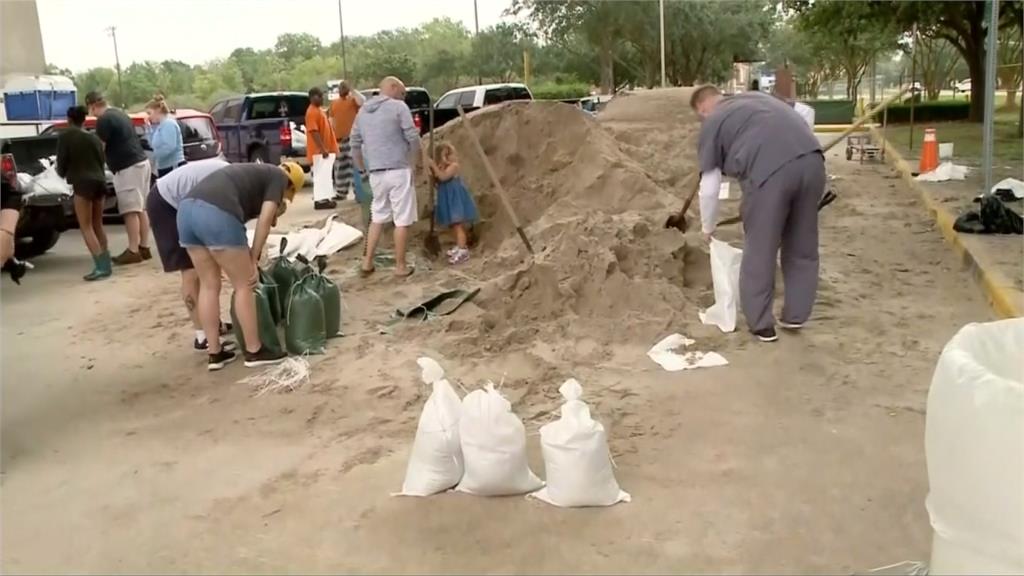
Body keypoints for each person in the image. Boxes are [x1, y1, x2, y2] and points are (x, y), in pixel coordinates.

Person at [690, 84, 825, 343]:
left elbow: (709, 187)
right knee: (802, 244)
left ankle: (762, 324)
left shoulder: (713, 121)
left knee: (761, 247)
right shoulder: (758, 98)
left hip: (770, 173)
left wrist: (708, 226)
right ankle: (796, 315)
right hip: (813, 161)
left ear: (703, 108)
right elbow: (803, 114)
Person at [176, 162, 304, 371]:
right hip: (215, 214)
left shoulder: (253, 174)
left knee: (209, 285)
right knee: (245, 284)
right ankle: (255, 351)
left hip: (186, 213)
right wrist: (253, 257)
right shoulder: (278, 178)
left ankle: (215, 352)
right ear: (290, 186)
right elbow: (264, 221)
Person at [147, 157, 236, 352]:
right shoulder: (226, 180)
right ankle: (202, 335)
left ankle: (213, 323)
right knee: (191, 271)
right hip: (165, 204)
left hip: (183, 203)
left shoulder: (229, 176)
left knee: (206, 270)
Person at [351, 76, 421, 278]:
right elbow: (412, 136)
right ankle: (400, 266)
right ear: (392, 87)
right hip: (399, 169)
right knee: (401, 219)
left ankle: (367, 262)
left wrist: (362, 168)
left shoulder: (362, 112)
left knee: (377, 217)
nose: (403, 96)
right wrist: (415, 162)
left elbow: (354, 144)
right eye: (402, 91)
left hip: (376, 173)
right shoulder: (398, 107)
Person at [86, 90, 153, 265]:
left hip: (127, 167)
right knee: (141, 208)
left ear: (92, 105)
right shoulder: (120, 113)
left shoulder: (103, 120)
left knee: (130, 211)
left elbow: (100, 147)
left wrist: (93, 167)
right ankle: (144, 247)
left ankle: (133, 250)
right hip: (142, 162)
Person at [56, 105, 112, 281]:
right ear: (83, 119)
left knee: (85, 226)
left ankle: (101, 267)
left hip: (82, 183)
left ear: (69, 119)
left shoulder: (66, 136)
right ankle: (107, 263)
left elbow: (62, 162)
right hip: (100, 182)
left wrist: (62, 173)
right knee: (98, 224)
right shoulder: (94, 137)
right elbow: (102, 159)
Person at [429, 143, 479, 265]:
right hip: (447, 199)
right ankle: (459, 245)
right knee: (453, 225)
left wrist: (433, 166)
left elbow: (443, 177)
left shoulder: (454, 167)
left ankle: (463, 250)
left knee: (457, 224)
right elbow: (437, 180)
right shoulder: (442, 167)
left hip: (455, 199)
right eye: (448, 154)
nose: (452, 156)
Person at [328, 80, 364, 201]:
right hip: (338, 139)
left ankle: (358, 192)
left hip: (352, 138)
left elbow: (362, 101)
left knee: (354, 166)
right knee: (340, 168)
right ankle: (341, 192)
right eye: (341, 87)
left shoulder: (353, 101)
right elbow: (331, 120)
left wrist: (353, 91)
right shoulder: (334, 103)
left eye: (345, 87)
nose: (342, 89)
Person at [305, 87, 339, 211]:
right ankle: (320, 200)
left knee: (325, 176)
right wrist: (322, 148)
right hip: (318, 152)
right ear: (312, 97)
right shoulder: (311, 112)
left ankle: (326, 198)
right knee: (320, 177)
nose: (321, 98)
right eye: (319, 96)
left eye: (321, 95)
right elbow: (313, 131)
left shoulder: (319, 110)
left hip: (325, 150)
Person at [145, 94, 185, 177]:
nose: (148, 117)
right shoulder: (160, 126)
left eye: (149, 113)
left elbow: (169, 147)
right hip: (164, 166)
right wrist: (149, 129)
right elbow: (153, 144)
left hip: (173, 166)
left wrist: (154, 156)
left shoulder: (168, 124)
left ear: (158, 110)